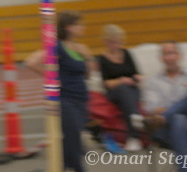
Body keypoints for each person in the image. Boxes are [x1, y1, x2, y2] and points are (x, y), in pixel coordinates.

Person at [25, 11, 94, 172]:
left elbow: (88, 75)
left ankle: (59, 168)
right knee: (73, 138)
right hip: (66, 99)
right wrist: (52, 77)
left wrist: (88, 58)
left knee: (72, 139)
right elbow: (31, 62)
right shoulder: (57, 46)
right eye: (79, 24)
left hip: (81, 98)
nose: (83, 27)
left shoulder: (81, 48)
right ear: (69, 27)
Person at [137, 41, 187, 172]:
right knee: (179, 119)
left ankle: (166, 117)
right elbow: (154, 108)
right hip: (165, 130)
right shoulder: (153, 81)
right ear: (161, 58)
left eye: (172, 53)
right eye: (166, 54)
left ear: (180, 55)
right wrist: (179, 116)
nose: (170, 57)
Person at [97, 24, 144, 151]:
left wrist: (137, 78)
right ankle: (134, 131)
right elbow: (106, 83)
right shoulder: (102, 59)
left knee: (127, 93)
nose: (117, 45)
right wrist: (121, 80)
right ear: (106, 42)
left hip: (132, 89)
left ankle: (133, 133)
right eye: (113, 42)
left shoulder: (126, 53)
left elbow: (136, 73)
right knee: (123, 89)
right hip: (114, 92)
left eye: (119, 42)